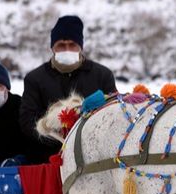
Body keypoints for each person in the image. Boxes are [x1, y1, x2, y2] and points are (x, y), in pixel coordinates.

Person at [19, 15, 118, 164]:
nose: (67, 50)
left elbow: (114, 113)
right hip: (47, 158)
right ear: (52, 47)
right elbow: (27, 122)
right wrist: (57, 131)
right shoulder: (35, 79)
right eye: (61, 45)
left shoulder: (102, 75)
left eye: (72, 45)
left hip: (93, 158)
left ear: (80, 46)